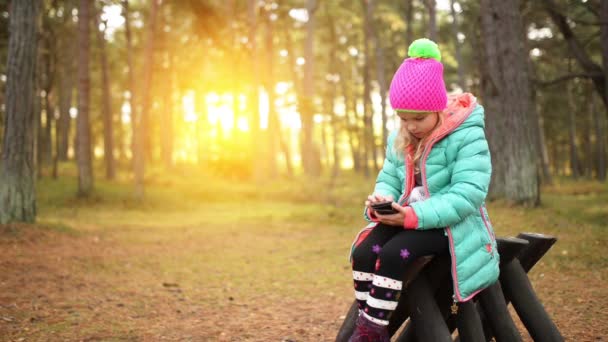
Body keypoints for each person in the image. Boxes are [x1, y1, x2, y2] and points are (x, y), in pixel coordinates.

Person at [348, 38, 500, 342]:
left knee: (392, 254)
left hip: (451, 227)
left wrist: (412, 216)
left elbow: (468, 194)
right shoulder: (402, 136)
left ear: (438, 109)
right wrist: (383, 199)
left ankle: (372, 331)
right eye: (404, 118)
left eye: (419, 118)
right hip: (407, 217)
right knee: (365, 251)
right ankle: (370, 327)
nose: (412, 126)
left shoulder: (466, 136)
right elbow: (390, 176)